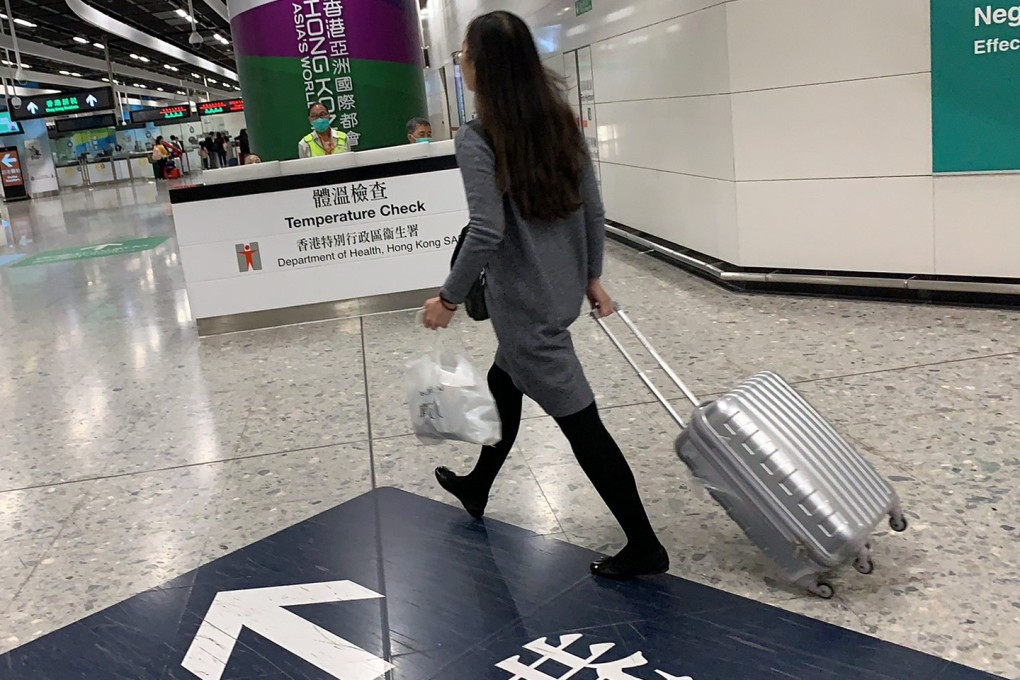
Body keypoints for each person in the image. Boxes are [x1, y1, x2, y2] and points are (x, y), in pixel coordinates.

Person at [420, 11, 668, 580]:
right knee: (502, 381)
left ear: (484, 67)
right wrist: (592, 277)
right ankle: (478, 485)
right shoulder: (559, 122)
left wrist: (449, 299)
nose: (461, 60)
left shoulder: (479, 137)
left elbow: (486, 230)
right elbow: (594, 209)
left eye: (465, 53)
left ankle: (645, 545)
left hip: (526, 309)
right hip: (553, 294)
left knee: (583, 424)